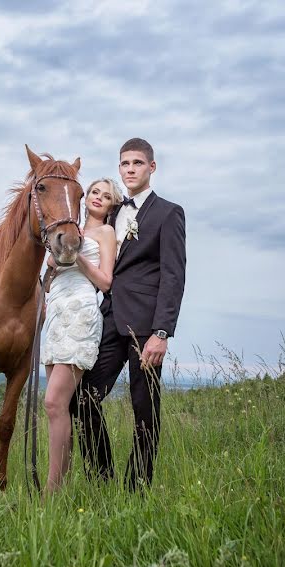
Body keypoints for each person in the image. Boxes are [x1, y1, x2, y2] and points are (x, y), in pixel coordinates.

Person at [73, 138, 186, 492]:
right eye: (125, 164)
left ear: (152, 167)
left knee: (144, 411)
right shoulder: (111, 213)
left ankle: (136, 491)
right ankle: (101, 479)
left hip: (146, 328)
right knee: (81, 399)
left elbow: (173, 275)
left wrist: (162, 332)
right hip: (107, 320)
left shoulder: (168, 213)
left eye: (138, 163)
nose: (131, 169)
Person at [41, 178, 121, 493]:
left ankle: (51, 491)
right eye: (96, 192)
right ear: (85, 198)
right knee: (60, 407)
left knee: (52, 403)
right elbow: (50, 271)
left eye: (107, 196)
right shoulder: (69, 226)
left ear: (112, 204)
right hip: (56, 313)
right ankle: (62, 486)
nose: (99, 198)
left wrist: (78, 256)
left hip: (81, 313)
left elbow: (105, 282)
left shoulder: (105, 233)